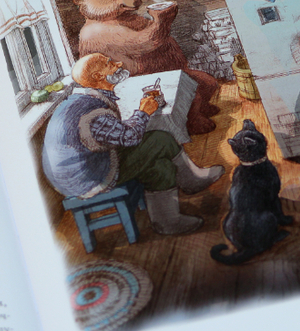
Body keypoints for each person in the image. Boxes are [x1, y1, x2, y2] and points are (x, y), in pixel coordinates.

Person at [42, 53, 224, 235]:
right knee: (160, 139)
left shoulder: (83, 100)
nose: (118, 63)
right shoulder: (93, 113)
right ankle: (187, 187)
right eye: (110, 63)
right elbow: (130, 138)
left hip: (84, 166)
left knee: (162, 166)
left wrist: (140, 115)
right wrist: (143, 112)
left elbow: (112, 132)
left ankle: (168, 218)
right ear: (98, 76)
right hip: (88, 178)